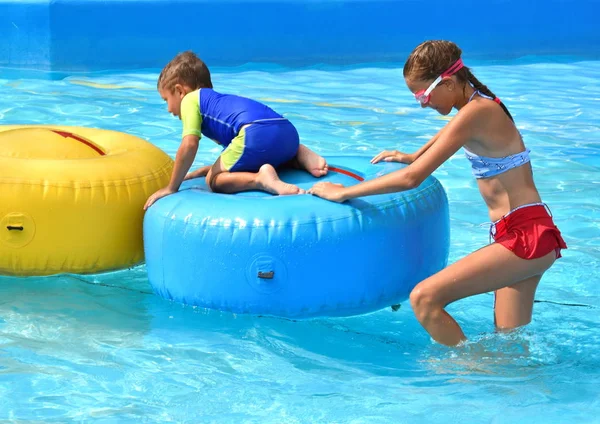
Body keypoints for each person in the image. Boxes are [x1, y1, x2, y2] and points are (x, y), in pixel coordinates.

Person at [308, 40, 567, 346]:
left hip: (525, 237)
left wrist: (343, 193)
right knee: (510, 346)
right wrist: (413, 154)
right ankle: (510, 385)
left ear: (446, 82)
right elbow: (450, 133)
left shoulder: (478, 112)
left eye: (422, 95)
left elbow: (412, 179)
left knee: (424, 298)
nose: (421, 103)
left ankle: (466, 373)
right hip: (525, 230)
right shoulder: (479, 105)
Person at [144, 51, 328, 210]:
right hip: (287, 133)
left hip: (254, 134)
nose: (168, 109)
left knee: (213, 180)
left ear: (180, 91)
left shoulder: (190, 100)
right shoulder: (218, 104)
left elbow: (189, 144)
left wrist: (172, 187)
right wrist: (198, 171)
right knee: (221, 167)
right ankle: (299, 154)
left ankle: (261, 180)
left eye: (166, 99)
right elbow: (240, 154)